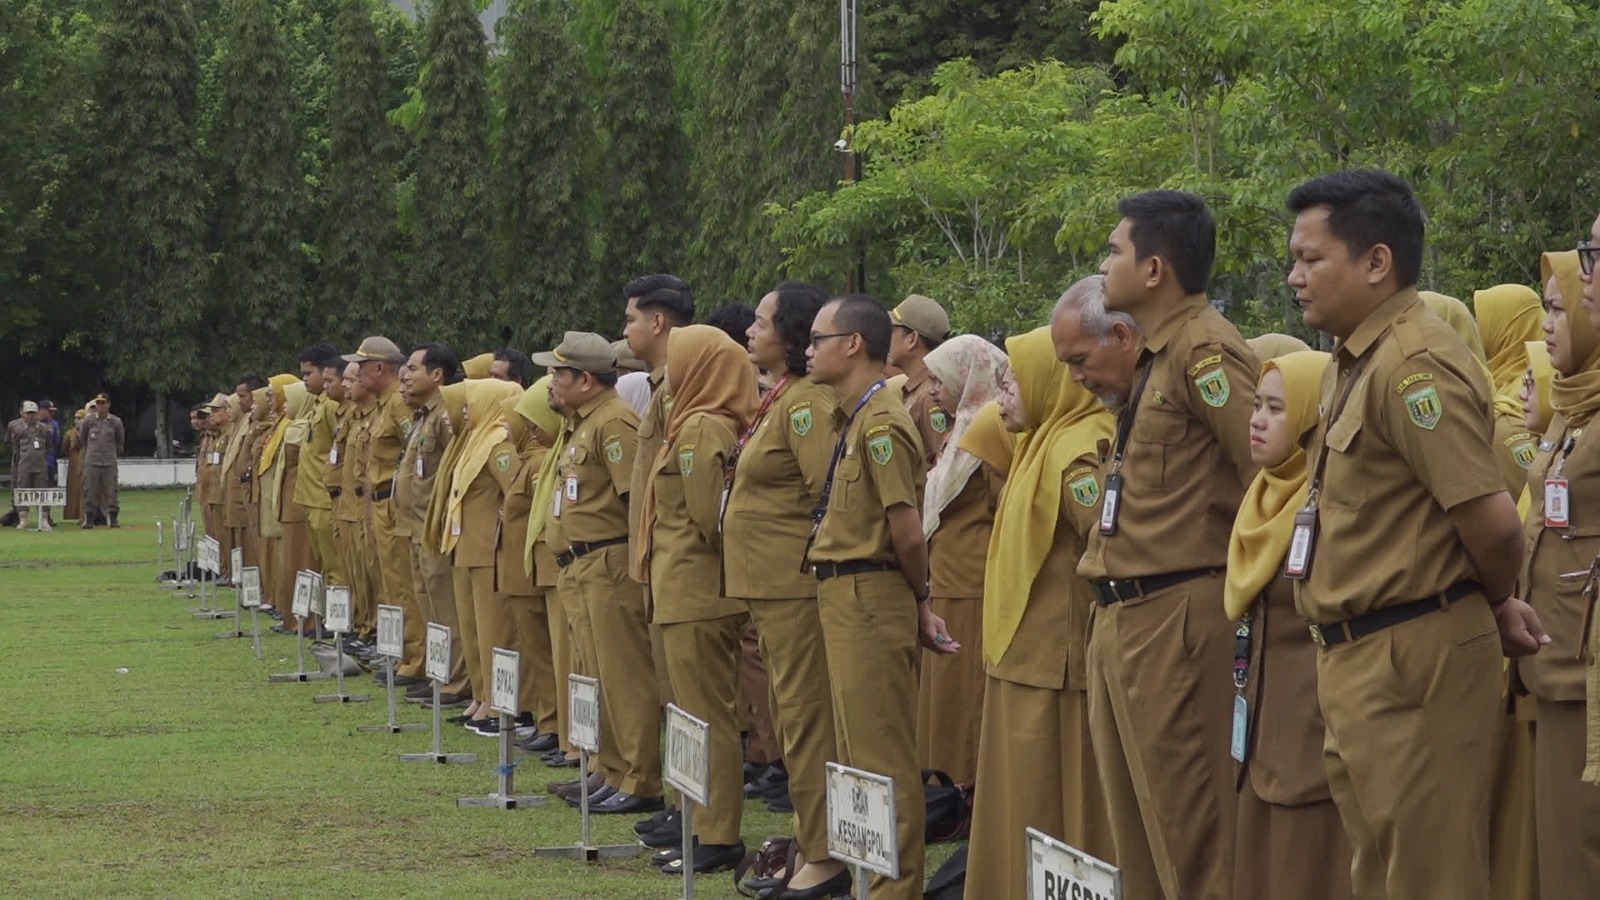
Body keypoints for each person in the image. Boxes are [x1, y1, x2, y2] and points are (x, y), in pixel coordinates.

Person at [1286, 169, 1544, 899]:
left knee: (1431, 876)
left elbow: (1492, 523)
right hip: (1359, 654)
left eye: (1311, 259)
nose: (1295, 277)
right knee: (1382, 872)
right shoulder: (1354, 360)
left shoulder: (1413, 364)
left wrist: (1493, 601)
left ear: (1377, 261)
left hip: (1410, 652)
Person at [1077, 190, 1259, 900]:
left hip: (1177, 617)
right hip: (1124, 613)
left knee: (1194, 833)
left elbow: (1266, 476)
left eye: (1114, 251)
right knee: (1140, 834)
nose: (1103, 265)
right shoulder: (1157, 356)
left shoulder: (1204, 350)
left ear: (1154, 270)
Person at [803, 293, 957, 900]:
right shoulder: (856, 416)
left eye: (818, 338)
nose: (808, 349)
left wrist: (920, 599)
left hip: (870, 593)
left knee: (880, 755)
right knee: (854, 753)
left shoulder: (883, 423)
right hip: (845, 593)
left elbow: (908, 532)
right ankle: (870, 881)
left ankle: (895, 890)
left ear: (852, 345)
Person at [963, 306, 1117, 899]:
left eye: (1012, 382)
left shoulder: (1077, 452)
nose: (1001, 398)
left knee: (1057, 804)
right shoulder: (1040, 444)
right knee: (1022, 803)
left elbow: (1107, 548)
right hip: (1026, 657)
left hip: (1058, 665)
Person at [720, 280, 842, 892]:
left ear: (791, 335)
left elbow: (828, 496)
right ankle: (808, 836)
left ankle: (824, 853)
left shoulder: (805, 406)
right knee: (791, 718)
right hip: (770, 592)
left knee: (806, 719)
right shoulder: (784, 398)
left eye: (762, 322)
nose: (750, 331)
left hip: (795, 589)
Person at [1223, 349, 1352, 899]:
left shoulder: (1333, 503)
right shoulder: (1261, 494)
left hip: (1312, 724)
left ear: (1309, 418)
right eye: (1256, 405)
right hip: (1260, 715)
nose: (1256, 420)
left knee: (1309, 860)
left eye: (1276, 409)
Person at [638, 324, 758, 874]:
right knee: (689, 717)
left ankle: (718, 832)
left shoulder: (703, 427)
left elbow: (711, 520)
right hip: (681, 590)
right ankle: (695, 820)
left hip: (699, 593)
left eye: (680, 360)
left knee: (707, 716)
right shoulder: (688, 423)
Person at [533, 331, 662, 815]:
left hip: (608, 563)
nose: (551, 382)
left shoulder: (615, 422)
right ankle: (609, 768)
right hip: (579, 564)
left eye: (558, 373)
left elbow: (635, 500)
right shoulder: (583, 423)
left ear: (585, 380)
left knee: (623, 675)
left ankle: (640, 777)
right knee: (595, 673)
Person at [1517, 249, 1600, 898]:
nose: (1547, 325)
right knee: (1560, 853)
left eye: (1557, 308)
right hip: (1552, 662)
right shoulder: (1570, 408)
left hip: (1585, 674)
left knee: (1580, 857)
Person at [915, 334, 1008, 784]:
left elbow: (1002, 508)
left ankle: (966, 787)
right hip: (946, 577)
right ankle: (941, 782)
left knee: (966, 691)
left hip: (973, 581)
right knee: (944, 693)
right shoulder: (959, 432)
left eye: (940, 380)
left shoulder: (990, 432)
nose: (933, 390)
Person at [430, 379, 522, 736]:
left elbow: (515, 492)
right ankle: (482, 695)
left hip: (488, 551)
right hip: (465, 546)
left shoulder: (498, 443)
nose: (463, 411)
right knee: (473, 631)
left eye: (470, 404)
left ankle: (500, 703)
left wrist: (499, 527)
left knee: (494, 631)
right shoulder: (475, 440)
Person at [623, 272, 695, 725]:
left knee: (694, 702)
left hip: (683, 561)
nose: (625, 330)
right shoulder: (659, 387)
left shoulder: (684, 388)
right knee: (675, 692)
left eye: (631, 320)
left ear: (658, 322)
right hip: (659, 559)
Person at [346, 337, 429, 684]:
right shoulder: (384, 405)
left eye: (362, 366)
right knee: (388, 586)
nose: (357, 372)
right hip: (376, 504)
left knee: (402, 586)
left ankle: (415, 659)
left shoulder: (398, 404)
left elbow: (413, 453)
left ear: (380, 367)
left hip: (393, 505)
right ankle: (398, 653)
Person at [395, 343, 470, 707]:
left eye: (412, 368)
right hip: (417, 527)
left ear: (437, 374)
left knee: (446, 608)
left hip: (436, 527)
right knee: (429, 607)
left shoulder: (445, 416)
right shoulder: (423, 415)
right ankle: (439, 673)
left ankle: (457, 680)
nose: (404, 375)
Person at [501, 378, 562, 751]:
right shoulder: (531, 459)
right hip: (526, 567)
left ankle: (554, 723)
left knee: (546, 652)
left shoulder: (539, 460)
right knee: (540, 652)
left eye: (524, 421)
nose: (512, 429)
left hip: (538, 569)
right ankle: (549, 720)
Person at [887, 294, 953, 468]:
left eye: (892, 330)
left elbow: (942, 463)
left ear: (912, 339)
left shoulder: (931, 396)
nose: (886, 337)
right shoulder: (918, 390)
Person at [81, 394, 125, 529]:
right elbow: (83, 439)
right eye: (98, 403)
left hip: (109, 462)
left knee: (112, 491)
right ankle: (89, 519)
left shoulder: (115, 422)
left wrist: (112, 454)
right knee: (90, 491)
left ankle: (113, 518)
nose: (100, 406)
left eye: (103, 403)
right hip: (92, 461)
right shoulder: (88, 421)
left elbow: (120, 441)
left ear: (108, 404)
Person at [12, 402, 53, 529]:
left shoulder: (44, 429)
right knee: (23, 490)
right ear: (24, 414)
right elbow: (16, 448)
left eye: (33, 413)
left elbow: (49, 446)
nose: (31, 416)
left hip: (40, 465)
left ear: (37, 414)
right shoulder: (18, 430)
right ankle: (23, 519)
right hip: (24, 465)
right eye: (28, 413)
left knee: (42, 490)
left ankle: (44, 519)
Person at [62, 405, 88, 522]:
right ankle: (72, 514)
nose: (77, 421)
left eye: (80, 418)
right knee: (73, 490)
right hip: (73, 464)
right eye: (75, 418)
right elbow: (64, 448)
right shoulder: (70, 433)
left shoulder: (89, 432)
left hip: (86, 463)